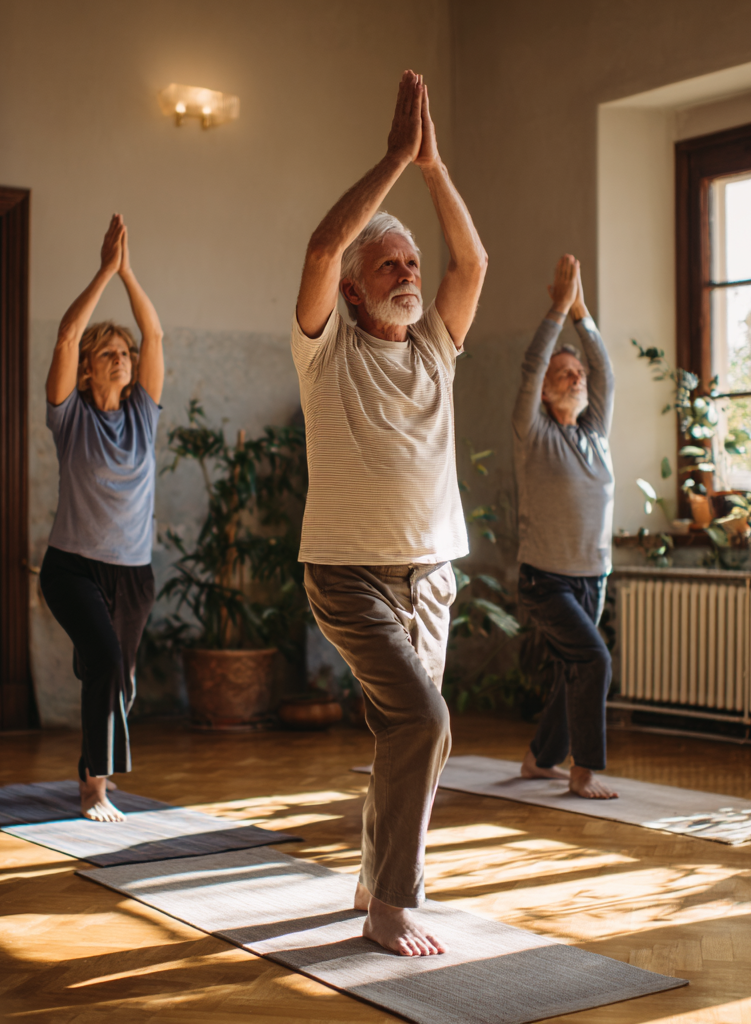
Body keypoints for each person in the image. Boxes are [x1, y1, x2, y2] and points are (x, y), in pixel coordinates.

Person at [293, 70, 487, 956]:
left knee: (412, 737)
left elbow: (472, 264)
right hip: (347, 572)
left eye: (411, 262)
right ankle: (391, 905)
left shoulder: (438, 348)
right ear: (356, 292)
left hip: (431, 576)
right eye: (390, 266)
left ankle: (377, 876)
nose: (408, 272)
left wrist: (435, 170)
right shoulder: (325, 350)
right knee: (423, 721)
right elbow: (322, 247)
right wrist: (393, 160)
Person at [39, 214, 164, 822]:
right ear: (89, 368)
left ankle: (94, 766)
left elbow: (157, 338)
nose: (122, 358)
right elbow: (65, 338)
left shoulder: (144, 412)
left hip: (133, 575)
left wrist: (130, 273)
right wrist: (103, 272)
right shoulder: (70, 418)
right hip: (73, 570)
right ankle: (95, 788)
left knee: (119, 678)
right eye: (108, 354)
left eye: (125, 353)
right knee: (108, 664)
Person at [513, 254, 618, 800]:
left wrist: (583, 314)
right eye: (564, 373)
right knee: (593, 658)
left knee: (575, 670)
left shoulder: (595, 431)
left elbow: (606, 372)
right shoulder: (533, 432)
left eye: (577, 373)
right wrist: (558, 310)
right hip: (545, 579)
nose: (576, 378)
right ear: (548, 389)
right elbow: (532, 365)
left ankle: (539, 759)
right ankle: (583, 770)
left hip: (591, 576)